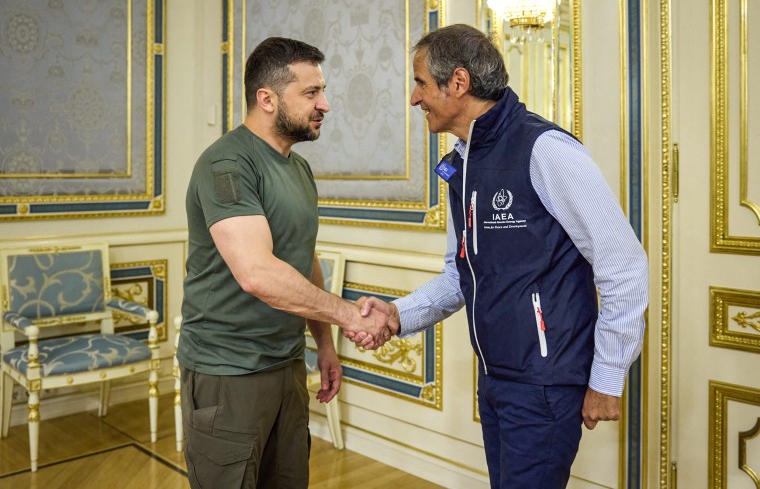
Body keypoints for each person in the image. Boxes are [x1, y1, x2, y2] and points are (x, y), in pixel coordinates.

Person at [348, 24, 648, 488]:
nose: (413, 97)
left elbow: (623, 265)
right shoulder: (462, 160)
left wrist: (607, 378)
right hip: (497, 379)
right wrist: (396, 314)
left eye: (421, 83)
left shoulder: (545, 150)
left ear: (460, 84)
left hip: (544, 384)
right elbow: (460, 274)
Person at [177, 37, 397, 489]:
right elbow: (257, 273)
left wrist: (326, 343)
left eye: (323, 91)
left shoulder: (298, 169)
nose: (326, 104)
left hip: (286, 364)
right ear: (267, 99)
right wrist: (350, 314)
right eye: (311, 93)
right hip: (227, 371)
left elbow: (301, 256)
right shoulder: (227, 165)